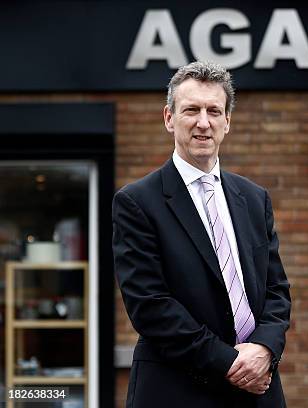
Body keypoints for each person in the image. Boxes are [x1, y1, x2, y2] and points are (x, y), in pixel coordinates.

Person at [112, 61, 291, 407]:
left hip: (258, 391)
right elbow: (151, 306)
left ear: (228, 121)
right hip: (178, 390)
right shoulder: (137, 202)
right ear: (169, 118)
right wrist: (230, 363)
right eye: (191, 110)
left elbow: (276, 290)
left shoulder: (254, 198)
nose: (203, 123)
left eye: (214, 111)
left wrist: (265, 349)